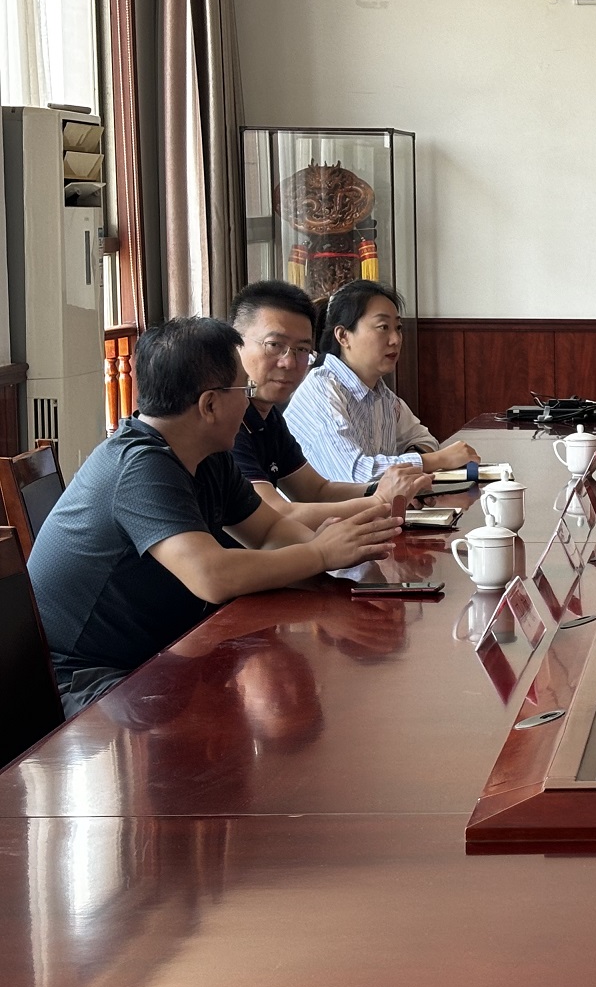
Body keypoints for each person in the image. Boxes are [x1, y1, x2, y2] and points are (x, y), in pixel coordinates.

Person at [28, 317, 401, 716]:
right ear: (209, 405)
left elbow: (268, 530)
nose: (248, 401)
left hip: (158, 653)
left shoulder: (205, 454)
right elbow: (211, 576)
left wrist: (333, 547)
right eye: (244, 389)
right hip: (87, 678)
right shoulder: (140, 466)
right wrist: (320, 554)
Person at [231, 281, 429, 525]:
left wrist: (389, 490)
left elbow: (318, 491)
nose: (289, 362)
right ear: (235, 344)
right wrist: (380, 500)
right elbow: (277, 515)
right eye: (274, 345)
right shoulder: (227, 420)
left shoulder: (268, 418)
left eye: (302, 349)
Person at [283, 279, 479, 484]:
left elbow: (423, 439)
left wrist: (410, 463)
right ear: (343, 336)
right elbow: (355, 473)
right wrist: (435, 460)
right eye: (383, 327)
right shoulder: (322, 389)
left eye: (398, 327)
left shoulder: (381, 393)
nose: (396, 339)